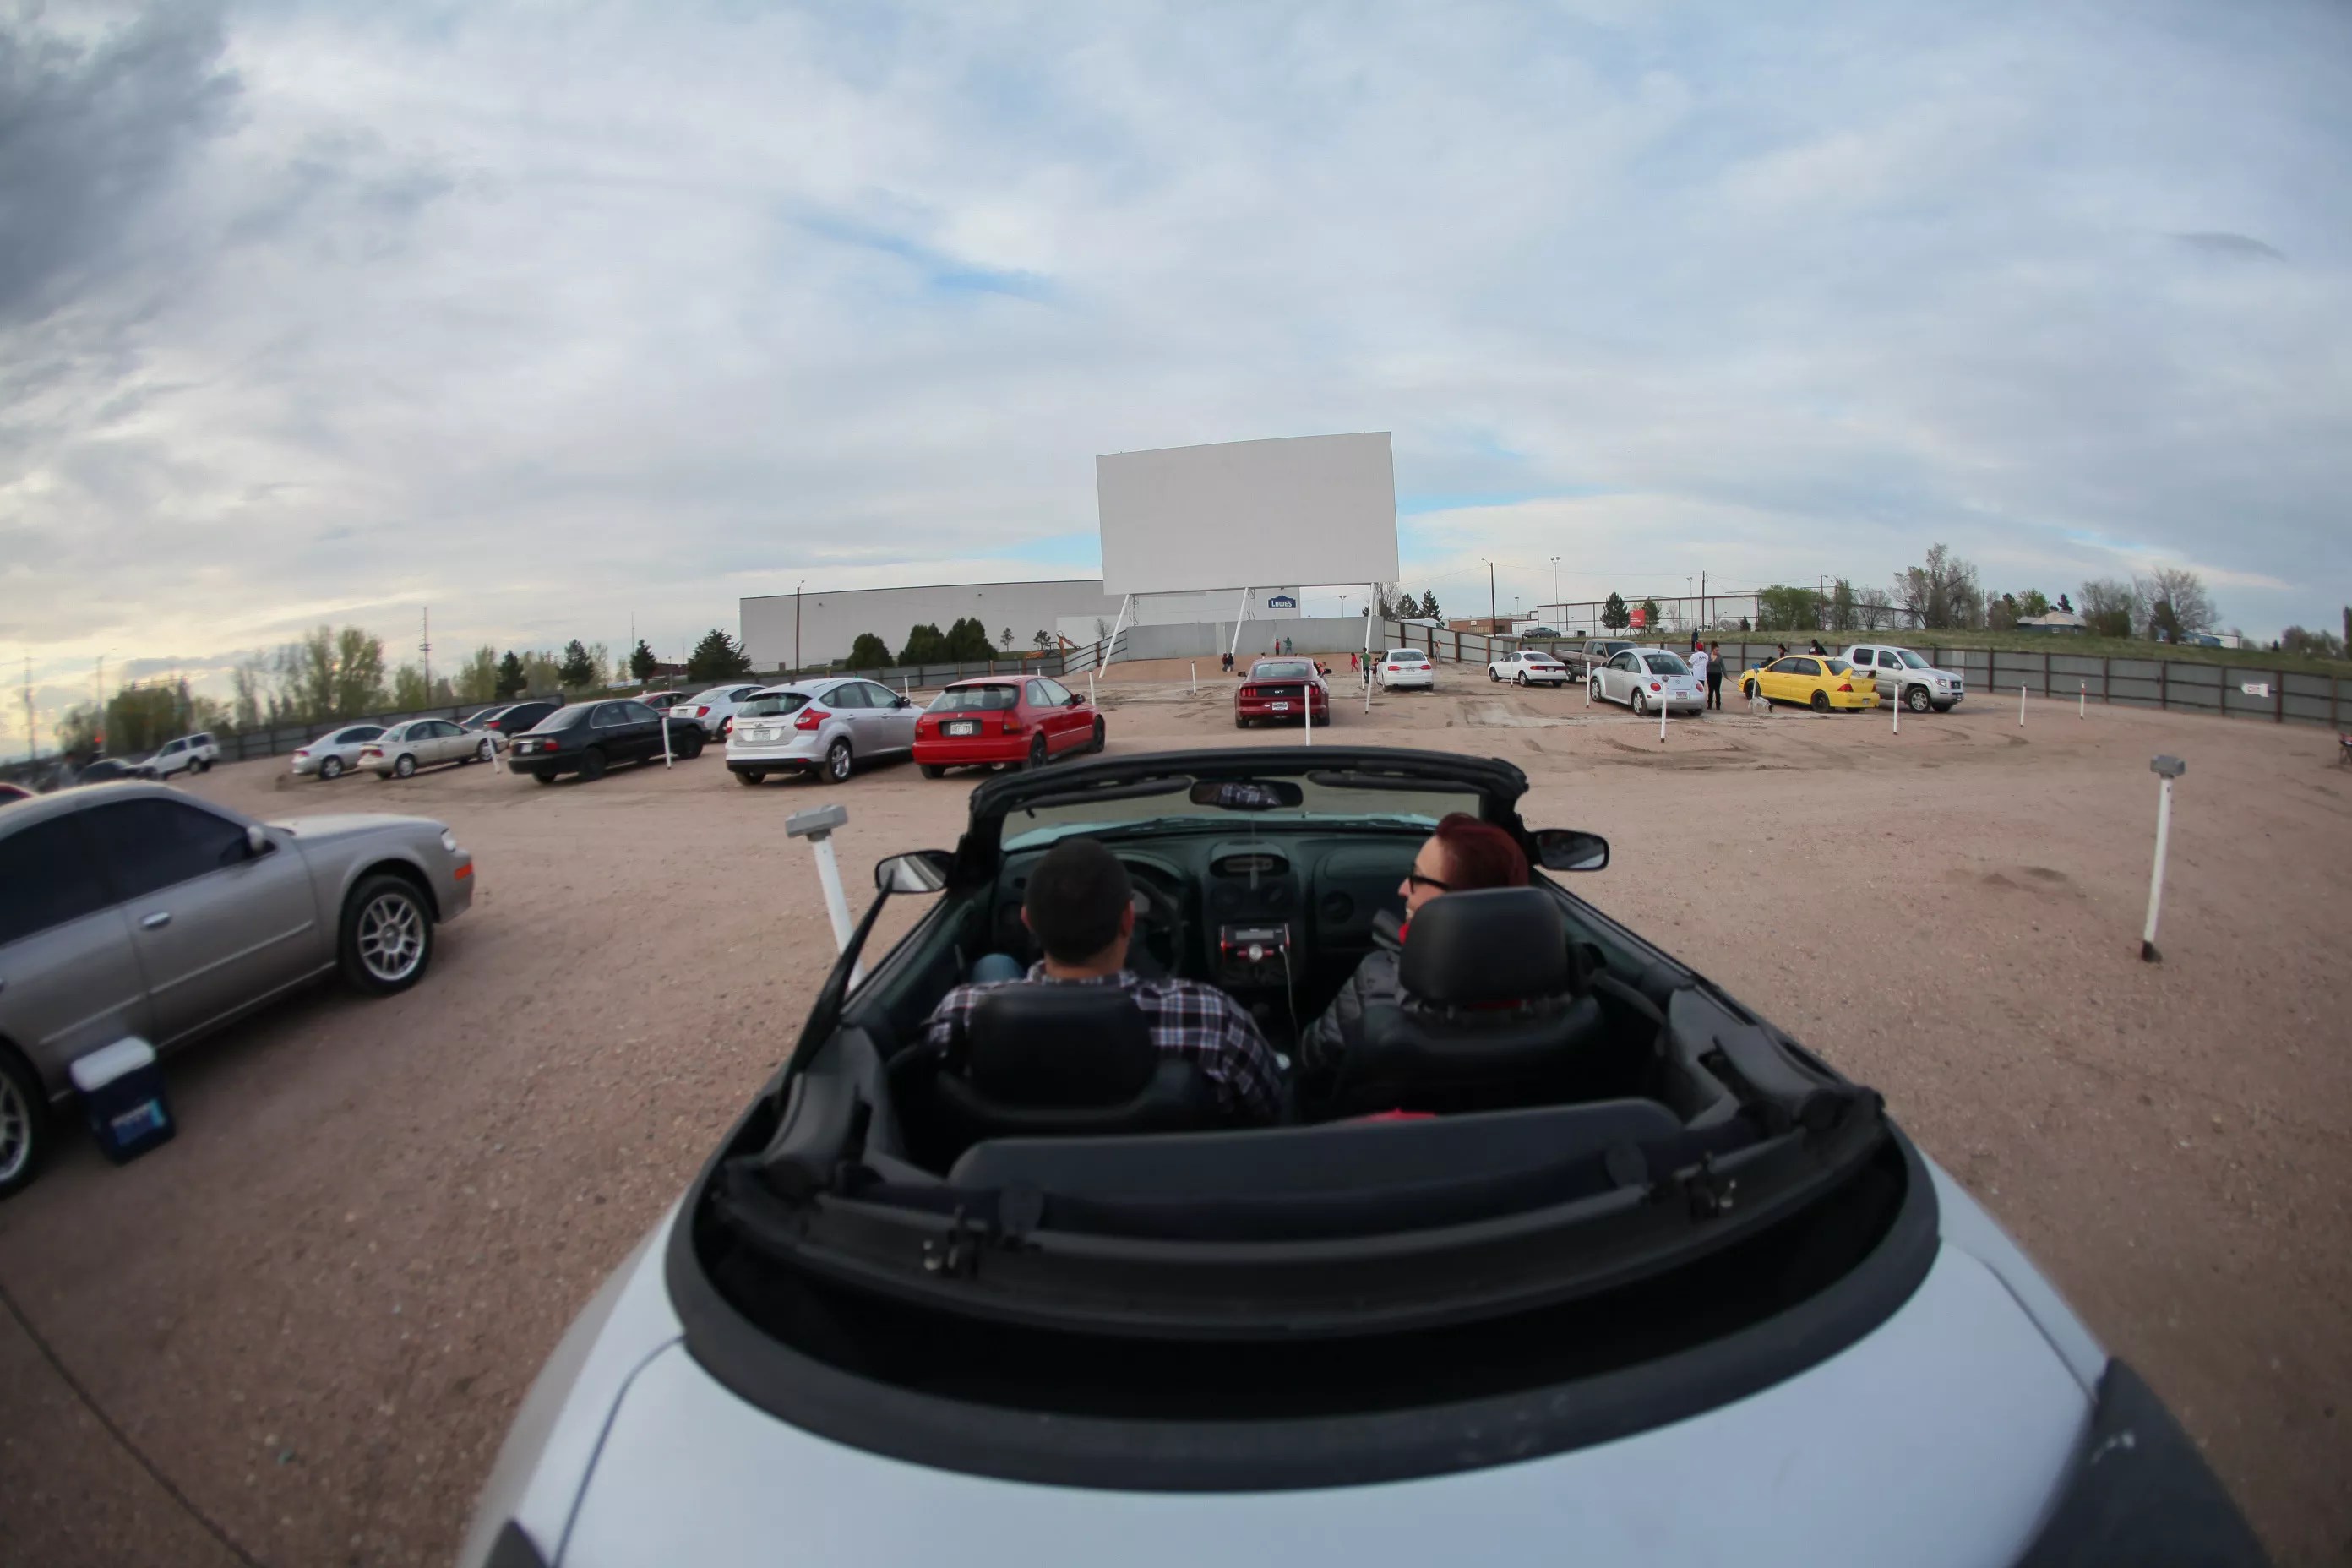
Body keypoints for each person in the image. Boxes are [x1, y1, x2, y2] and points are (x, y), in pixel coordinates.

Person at [926, 837, 1284, 1124]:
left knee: (994, 965)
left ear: (1027, 921)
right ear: (1128, 919)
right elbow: (1269, 1110)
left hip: (1019, 1200)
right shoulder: (1212, 1019)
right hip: (1170, 1196)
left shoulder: (962, 1014)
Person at [1297, 814, 1531, 1080]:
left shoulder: (1377, 983)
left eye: (1417, 879)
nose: (1402, 889)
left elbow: (1312, 1066)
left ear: (1461, 904)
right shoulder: (1557, 998)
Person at [1689, 642, 1710, 707]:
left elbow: (1689, 662)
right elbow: (1706, 664)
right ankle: (1701, 703)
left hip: (1696, 677)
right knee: (1701, 690)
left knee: (1694, 691)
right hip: (1703, 676)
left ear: (1696, 648)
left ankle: (1694, 703)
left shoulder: (1695, 655)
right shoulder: (1706, 656)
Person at [1706, 640, 1725, 709]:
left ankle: (1718, 705)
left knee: (1717, 690)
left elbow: (1723, 667)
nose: (1717, 651)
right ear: (1713, 649)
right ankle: (1709, 705)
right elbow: (1705, 665)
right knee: (1710, 690)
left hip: (1717, 675)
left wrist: (1726, 675)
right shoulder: (1707, 656)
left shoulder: (1720, 657)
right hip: (1710, 675)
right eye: (1716, 650)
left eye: (1718, 650)